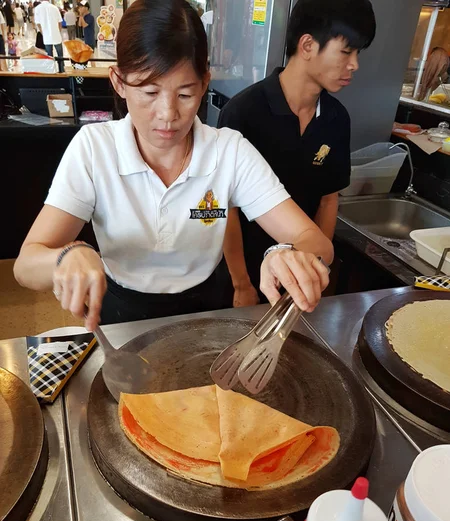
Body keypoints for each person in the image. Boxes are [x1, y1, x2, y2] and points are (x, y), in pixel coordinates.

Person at [14, 0, 332, 332]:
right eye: (149, 92)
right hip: (121, 309)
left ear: (204, 83)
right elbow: (26, 266)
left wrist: (289, 253)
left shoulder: (228, 150)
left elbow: (317, 242)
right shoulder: (94, 149)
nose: (168, 114)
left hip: (207, 308)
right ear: (119, 82)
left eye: (185, 94)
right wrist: (65, 257)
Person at [218, 0, 376, 307]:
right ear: (307, 45)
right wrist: (241, 284)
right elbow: (226, 210)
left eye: (358, 53)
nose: (355, 64)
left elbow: (329, 199)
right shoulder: (243, 112)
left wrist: (316, 267)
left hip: (299, 281)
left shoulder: (336, 119)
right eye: (346, 51)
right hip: (243, 277)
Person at [34, 0, 64, 72]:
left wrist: (42, 32)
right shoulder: (54, 8)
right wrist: (58, 31)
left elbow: (38, 23)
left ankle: (51, 71)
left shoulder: (37, 9)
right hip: (56, 35)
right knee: (60, 55)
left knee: (49, 56)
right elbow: (60, 22)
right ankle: (62, 70)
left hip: (46, 36)